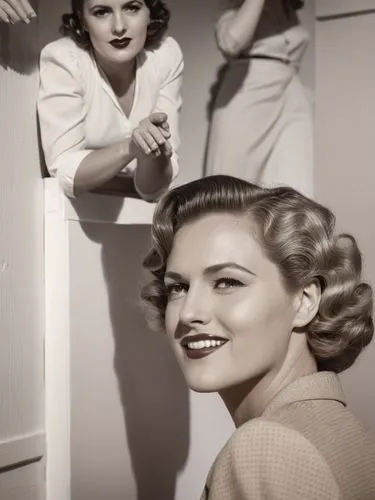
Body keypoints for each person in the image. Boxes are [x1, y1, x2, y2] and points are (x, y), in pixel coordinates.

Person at [141, 174, 375, 499]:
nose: (189, 312)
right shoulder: (348, 434)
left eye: (227, 282)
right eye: (178, 287)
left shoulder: (266, 446)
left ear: (304, 301)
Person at [37, 0, 183, 200]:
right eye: (101, 12)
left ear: (150, 12)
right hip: (76, 215)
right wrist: (130, 147)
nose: (119, 27)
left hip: (141, 214)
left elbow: (156, 189)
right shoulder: (65, 60)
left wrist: (151, 157)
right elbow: (64, 171)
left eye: (132, 8)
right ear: (83, 20)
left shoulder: (165, 55)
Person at [205, 0, 313, 197]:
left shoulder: (290, 8)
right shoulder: (235, 7)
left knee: (295, 187)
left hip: (292, 94)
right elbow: (230, 43)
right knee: (235, 189)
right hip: (250, 91)